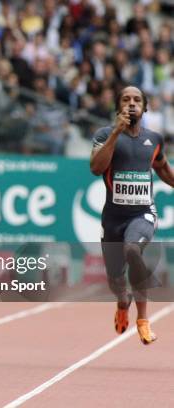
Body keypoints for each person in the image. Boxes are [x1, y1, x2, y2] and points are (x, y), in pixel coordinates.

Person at [90, 86, 174, 345]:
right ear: (118, 107)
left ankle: (144, 320)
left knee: (132, 250)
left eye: (137, 100)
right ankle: (122, 301)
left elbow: (163, 168)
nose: (132, 103)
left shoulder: (154, 140)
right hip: (113, 218)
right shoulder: (105, 134)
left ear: (145, 107)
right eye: (125, 99)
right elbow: (96, 168)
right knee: (116, 279)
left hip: (143, 214)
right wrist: (116, 132)